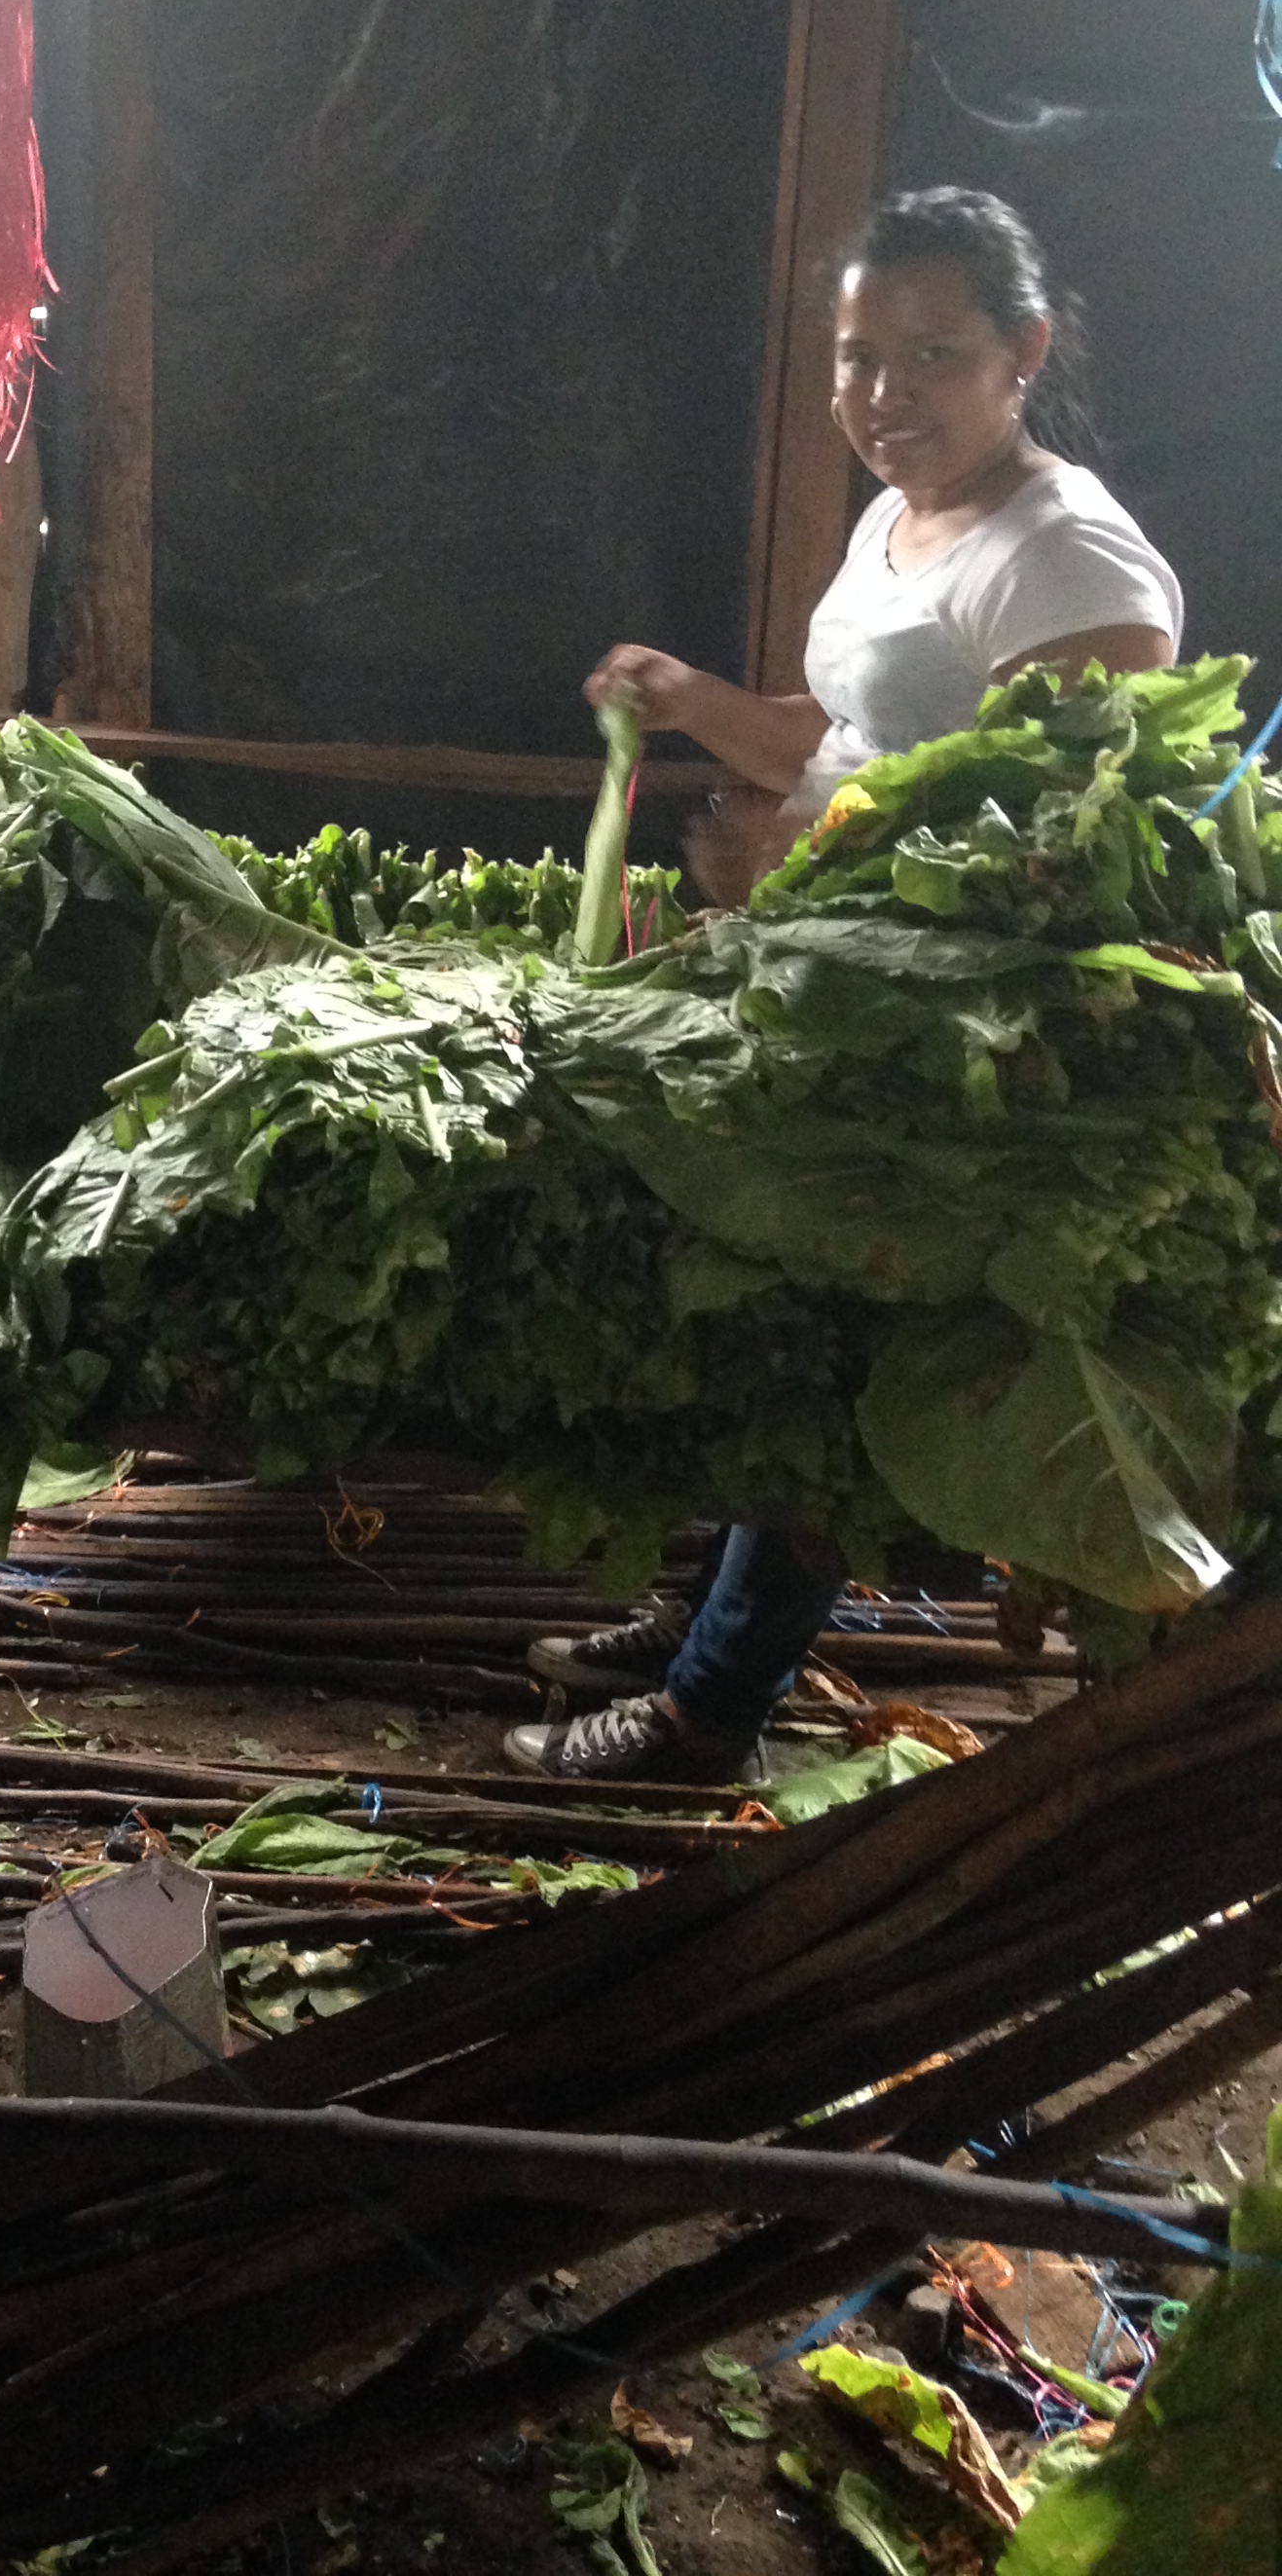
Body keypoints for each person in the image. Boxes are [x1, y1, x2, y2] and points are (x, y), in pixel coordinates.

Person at [506, 185, 1182, 1786]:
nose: (883, 396)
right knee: (772, 1306)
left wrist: (801, 866)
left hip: (959, 1042)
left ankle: (710, 1710)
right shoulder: (901, 515)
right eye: (858, 356)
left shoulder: (1075, 563)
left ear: (1023, 352)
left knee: (835, 1329)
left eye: (931, 357)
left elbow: (1043, 855)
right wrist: (693, 699)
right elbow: (855, 738)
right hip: (837, 986)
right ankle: (699, 1625)